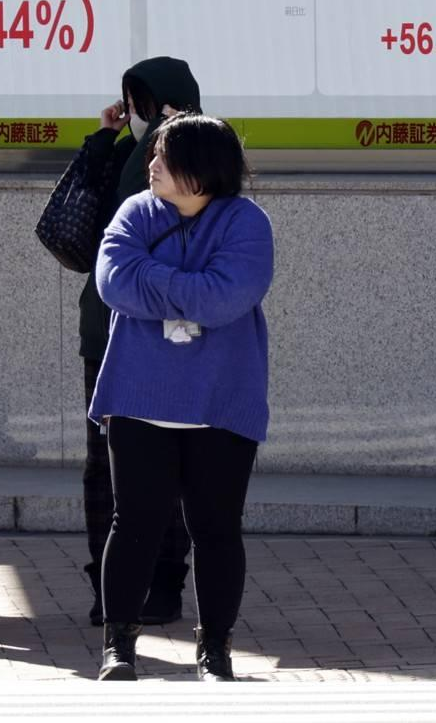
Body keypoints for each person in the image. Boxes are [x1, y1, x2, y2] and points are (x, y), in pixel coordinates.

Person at [90, 114, 275, 683]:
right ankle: (119, 646)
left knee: (217, 528)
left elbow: (228, 298)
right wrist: (187, 288)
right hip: (139, 396)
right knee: (135, 524)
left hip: (222, 401)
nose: (151, 167)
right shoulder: (134, 212)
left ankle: (214, 648)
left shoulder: (247, 223)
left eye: (162, 158)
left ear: (198, 168)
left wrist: (157, 279)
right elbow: (112, 280)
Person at [73, 56, 202, 627]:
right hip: (106, 332)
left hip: (170, 336)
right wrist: (106, 138)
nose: (142, 116)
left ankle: (165, 584)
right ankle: (111, 585)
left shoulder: (202, 153)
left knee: (168, 466)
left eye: (149, 104)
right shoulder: (129, 155)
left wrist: (173, 139)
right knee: (105, 466)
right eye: (136, 104)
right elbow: (85, 223)